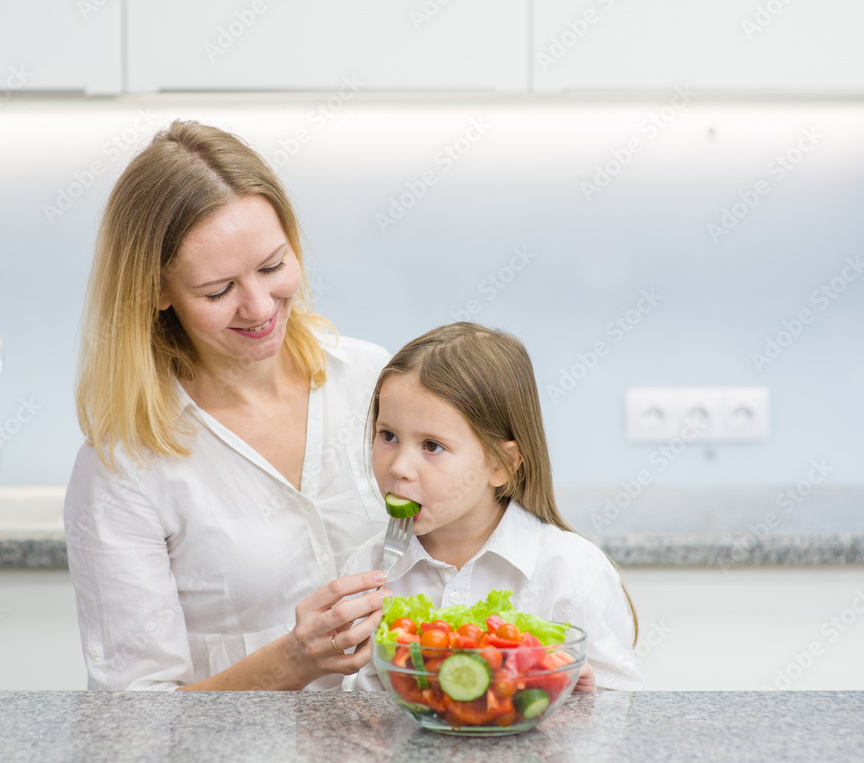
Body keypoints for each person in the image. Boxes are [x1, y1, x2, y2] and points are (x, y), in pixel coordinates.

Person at [64, 120, 393, 691]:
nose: (261, 306)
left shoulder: (372, 381)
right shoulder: (123, 471)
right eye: (219, 291)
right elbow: (131, 723)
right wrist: (295, 659)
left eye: (272, 267)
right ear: (156, 292)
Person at [344, 322, 647, 691]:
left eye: (432, 446)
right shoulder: (365, 571)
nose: (399, 468)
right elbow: (327, 707)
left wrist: (585, 701)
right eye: (387, 436)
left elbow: (622, 715)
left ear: (501, 465)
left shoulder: (571, 573)